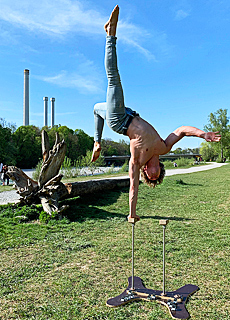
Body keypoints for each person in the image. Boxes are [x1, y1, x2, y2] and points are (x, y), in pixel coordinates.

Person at [92, 5, 221, 221]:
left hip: (120, 120)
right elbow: (181, 130)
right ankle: (96, 141)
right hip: (130, 113)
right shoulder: (163, 147)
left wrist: (132, 214)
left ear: (145, 172)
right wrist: (203, 134)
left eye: (150, 177)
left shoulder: (137, 161)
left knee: (113, 78)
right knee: (96, 109)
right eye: (157, 175)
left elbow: (133, 188)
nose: (154, 175)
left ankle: (110, 35)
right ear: (160, 168)